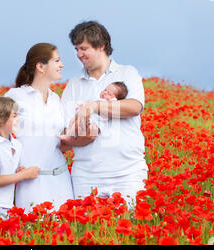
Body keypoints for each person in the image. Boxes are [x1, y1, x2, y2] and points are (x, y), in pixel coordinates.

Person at [0, 43, 74, 213]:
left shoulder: (57, 99)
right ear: (40, 66)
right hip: (31, 181)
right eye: (57, 60)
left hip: (61, 179)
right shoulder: (17, 96)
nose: (62, 65)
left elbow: (62, 139)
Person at [59, 21, 148, 208]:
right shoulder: (74, 85)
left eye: (84, 48)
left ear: (101, 46)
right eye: (76, 49)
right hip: (86, 175)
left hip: (127, 173)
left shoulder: (127, 73)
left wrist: (94, 106)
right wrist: (83, 133)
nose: (79, 54)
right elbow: (67, 131)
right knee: (87, 232)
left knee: (132, 231)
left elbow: (133, 107)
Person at [59, 81, 128, 140]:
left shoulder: (110, 103)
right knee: (73, 122)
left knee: (81, 127)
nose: (105, 93)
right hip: (88, 117)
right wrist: (82, 106)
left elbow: (114, 103)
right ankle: (69, 134)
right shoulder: (98, 99)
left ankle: (70, 136)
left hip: (94, 122)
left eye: (109, 94)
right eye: (105, 90)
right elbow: (89, 104)